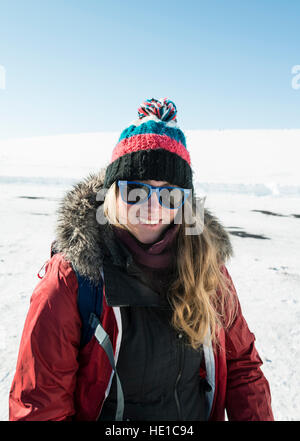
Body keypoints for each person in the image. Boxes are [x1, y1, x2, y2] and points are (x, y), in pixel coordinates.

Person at [9, 98, 274, 421]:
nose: (152, 207)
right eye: (136, 191)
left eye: (169, 195)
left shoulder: (206, 267)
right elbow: (41, 407)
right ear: (113, 193)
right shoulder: (72, 281)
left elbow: (242, 367)